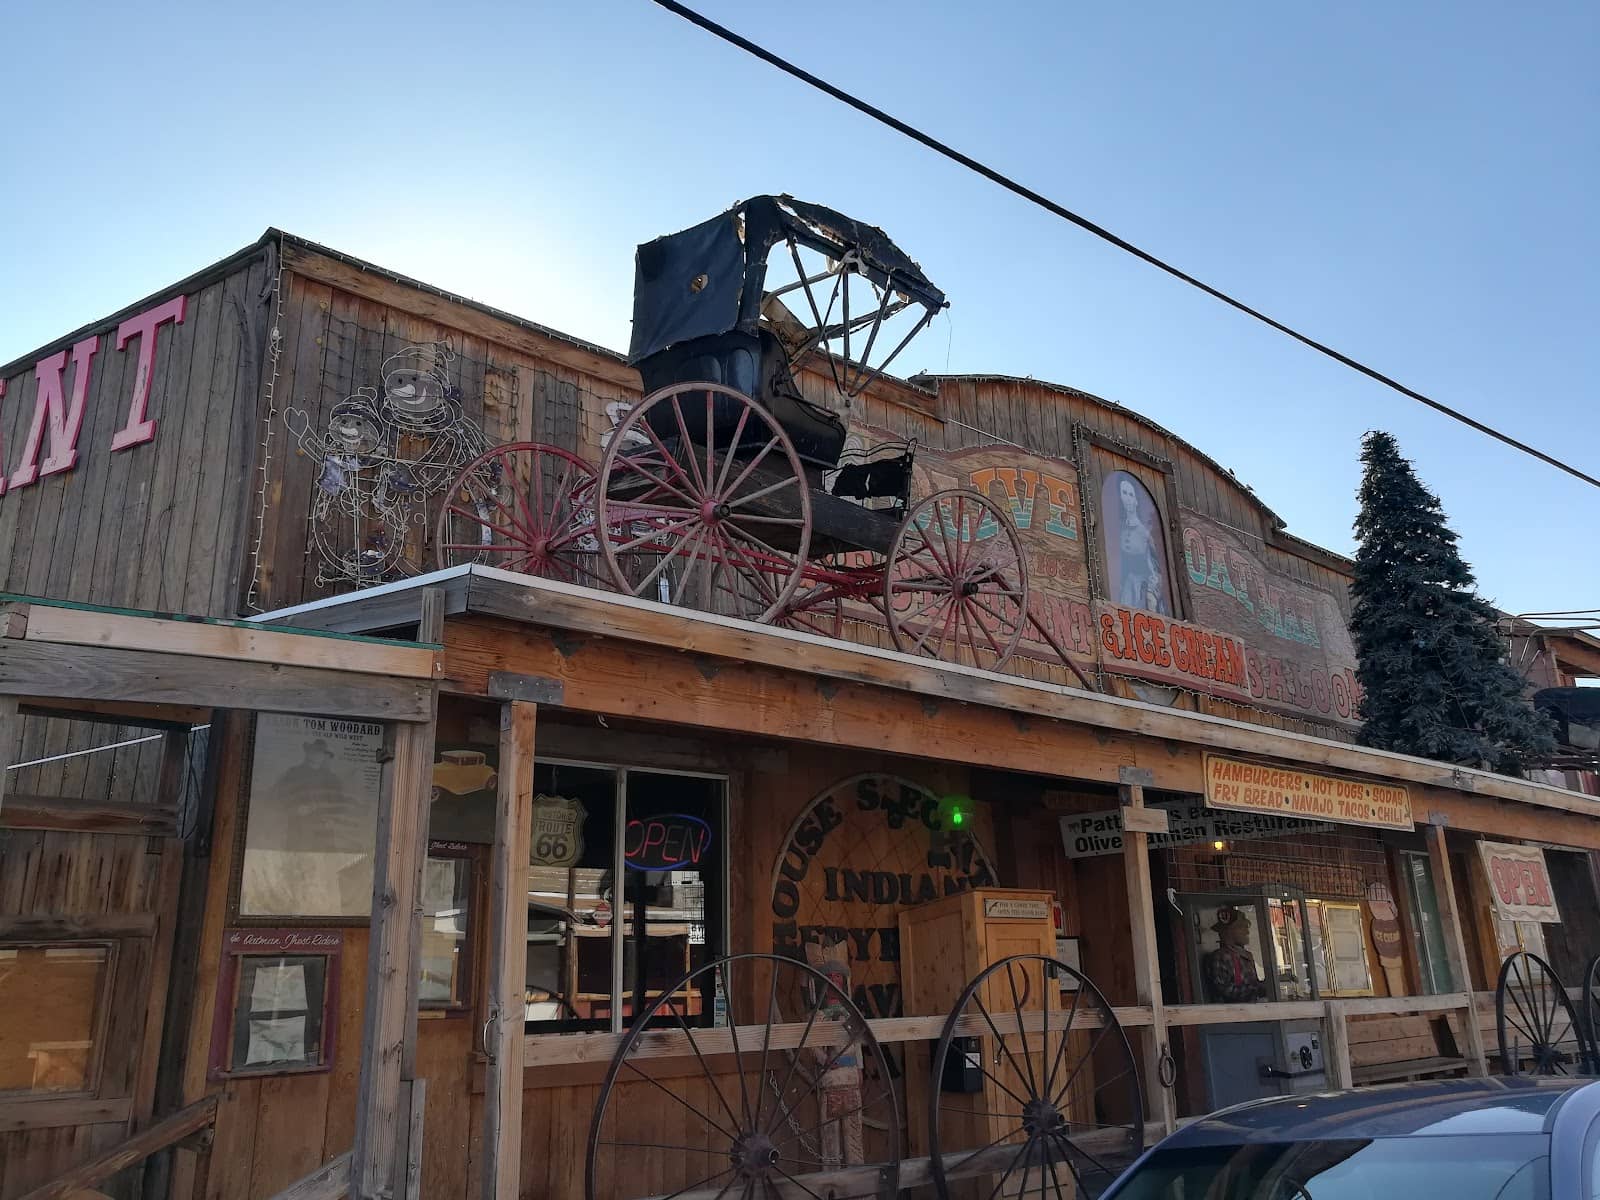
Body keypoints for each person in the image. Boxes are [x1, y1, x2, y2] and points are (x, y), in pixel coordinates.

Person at [1111, 473, 1169, 615]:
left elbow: (1157, 568)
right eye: (1124, 493)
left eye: (1131, 494)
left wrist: (1152, 592)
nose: (1128, 498)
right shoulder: (1119, 530)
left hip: (1144, 589)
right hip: (1126, 587)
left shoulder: (1145, 534)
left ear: (1136, 500)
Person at [1203, 905, 1267, 1003]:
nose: (1247, 931)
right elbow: (1228, 992)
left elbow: (1251, 983)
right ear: (1229, 931)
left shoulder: (1244, 955)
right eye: (1242, 927)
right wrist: (1260, 988)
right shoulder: (1221, 957)